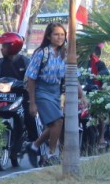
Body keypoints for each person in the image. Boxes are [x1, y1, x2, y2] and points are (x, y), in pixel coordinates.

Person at [24, 23, 85, 167]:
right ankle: (51, 154)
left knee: (56, 123)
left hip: (55, 92)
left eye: (62, 35)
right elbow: (31, 79)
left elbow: (72, 76)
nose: (60, 37)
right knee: (57, 122)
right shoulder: (42, 53)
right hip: (41, 91)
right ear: (48, 36)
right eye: (56, 34)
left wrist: (82, 95)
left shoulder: (65, 54)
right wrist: (32, 103)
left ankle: (34, 146)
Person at [0, 31, 38, 143]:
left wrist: (27, 83)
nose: (2, 49)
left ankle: (33, 139)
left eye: (4, 46)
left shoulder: (25, 61)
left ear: (13, 46)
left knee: (29, 114)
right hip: (3, 95)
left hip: (21, 93)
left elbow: (30, 77)